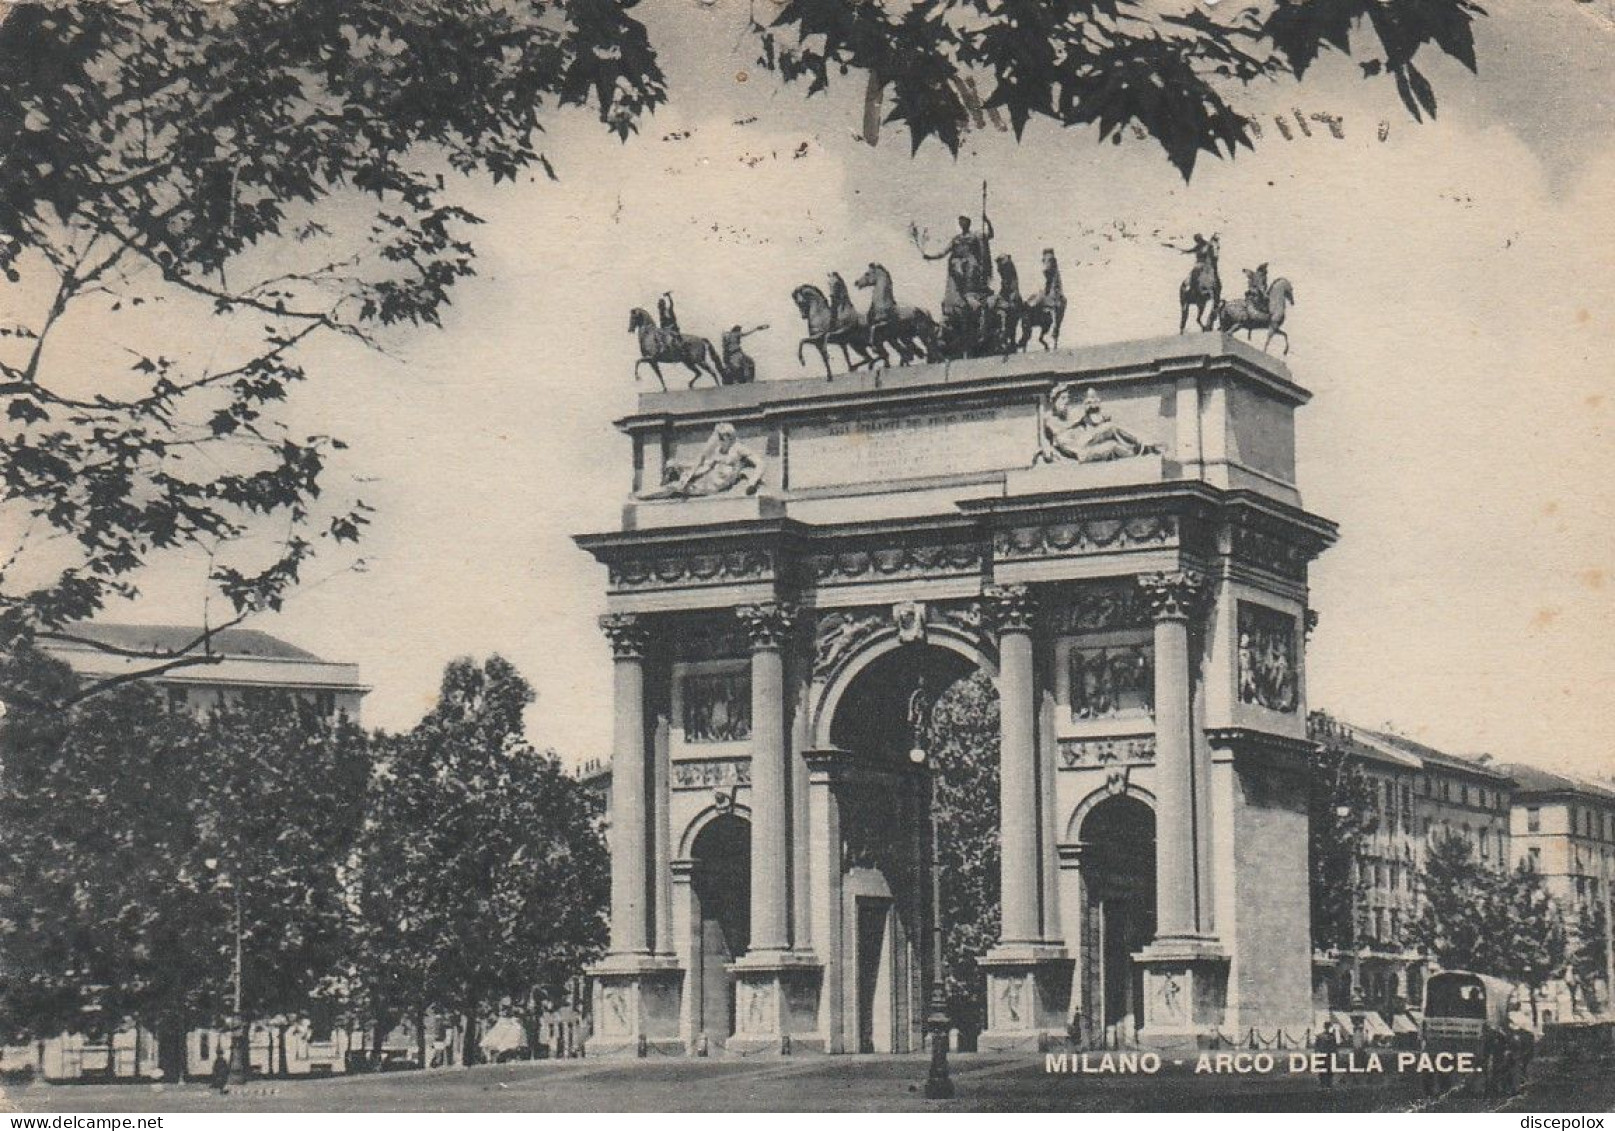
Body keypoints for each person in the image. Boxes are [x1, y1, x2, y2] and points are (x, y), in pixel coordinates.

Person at [1315, 1022, 1339, 1089]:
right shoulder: (1320, 1036)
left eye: (1329, 1027)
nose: (1328, 1028)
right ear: (1325, 1027)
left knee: (1330, 1070)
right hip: (1323, 1055)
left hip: (1329, 1055)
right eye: (1327, 1027)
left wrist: (1336, 1054)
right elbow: (1317, 1046)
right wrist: (1317, 1054)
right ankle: (1322, 1084)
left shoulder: (1332, 1036)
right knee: (1322, 1070)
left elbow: (1334, 1046)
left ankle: (1329, 1084)